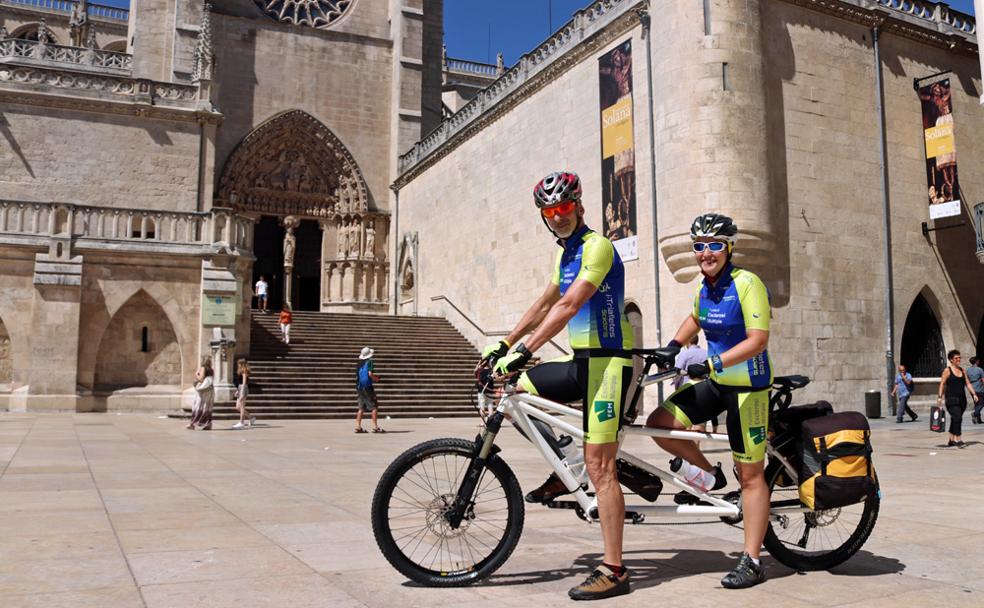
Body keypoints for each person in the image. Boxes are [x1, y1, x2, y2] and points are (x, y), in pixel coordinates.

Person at [483, 171, 634, 600]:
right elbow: (546, 301)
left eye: (564, 207)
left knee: (601, 468)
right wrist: (505, 343)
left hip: (607, 364)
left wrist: (526, 350)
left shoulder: (597, 247)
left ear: (578, 206)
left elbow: (570, 304)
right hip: (579, 361)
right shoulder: (564, 255)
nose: (557, 215)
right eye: (550, 211)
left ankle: (615, 569)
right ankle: (570, 459)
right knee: (512, 393)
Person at [645, 213, 773, 589]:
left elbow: (758, 340)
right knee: (659, 424)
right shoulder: (704, 288)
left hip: (748, 387)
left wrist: (713, 361)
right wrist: (671, 347)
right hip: (716, 382)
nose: (706, 253)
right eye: (699, 246)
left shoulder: (747, 283)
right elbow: (694, 319)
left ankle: (752, 560)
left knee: (750, 475)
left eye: (714, 245)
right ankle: (712, 477)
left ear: (729, 247)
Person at [673, 335, 718, 437]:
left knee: (686, 422)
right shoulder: (706, 353)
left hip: (687, 390)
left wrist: (676, 387)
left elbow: (677, 372)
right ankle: (697, 446)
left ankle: (687, 449)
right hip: (704, 389)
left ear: (688, 342)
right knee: (699, 423)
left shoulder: (684, 354)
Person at [937, 350, 979, 447]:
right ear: (951, 360)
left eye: (959, 357)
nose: (958, 359)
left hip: (962, 399)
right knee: (957, 418)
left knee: (955, 419)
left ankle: (951, 440)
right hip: (951, 399)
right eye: (956, 358)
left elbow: (968, 383)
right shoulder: (947, 370)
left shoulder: (962, 370)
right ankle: (958, 439)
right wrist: (940, 397)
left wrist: (974, 394)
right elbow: (942, 384)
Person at [355, 346, 384, 433]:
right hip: (368, 387)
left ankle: (358, 427)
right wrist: (376, 379)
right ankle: (375, 427)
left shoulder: (359, 363)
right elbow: (370, 374)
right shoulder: (370, 362)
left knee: (361, 407)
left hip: (359, 387)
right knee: (374, 407)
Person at [187, 358, 215, 431]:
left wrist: (197, 374)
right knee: (207, 407)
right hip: (210, 390)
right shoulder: (211, 370)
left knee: (198, 406)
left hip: (203, 391)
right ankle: (208, 424)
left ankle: (192, 424)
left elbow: (201, 379)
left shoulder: (203, 368)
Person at [233, 359, 255, 430]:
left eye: (239, 364)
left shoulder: (244, 371)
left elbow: (244, 382)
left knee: (242, 406)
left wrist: (242, 392)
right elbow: (240, 383)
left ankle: (241, 422)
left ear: (242, 364)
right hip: (240, 387)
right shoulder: (241, 371)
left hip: (243, 388)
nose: (238, 365)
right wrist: (237, 390)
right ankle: (251, 417)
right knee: (237, 407)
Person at [968, 357, 984, 424]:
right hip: (979, 389)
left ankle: (979, 420)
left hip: (972, 389)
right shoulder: (980, 369)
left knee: (976, 404)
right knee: (981, 403)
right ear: (977, 361)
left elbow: (967, 380)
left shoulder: (968, 370)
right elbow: (983, 380)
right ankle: (974, 414)